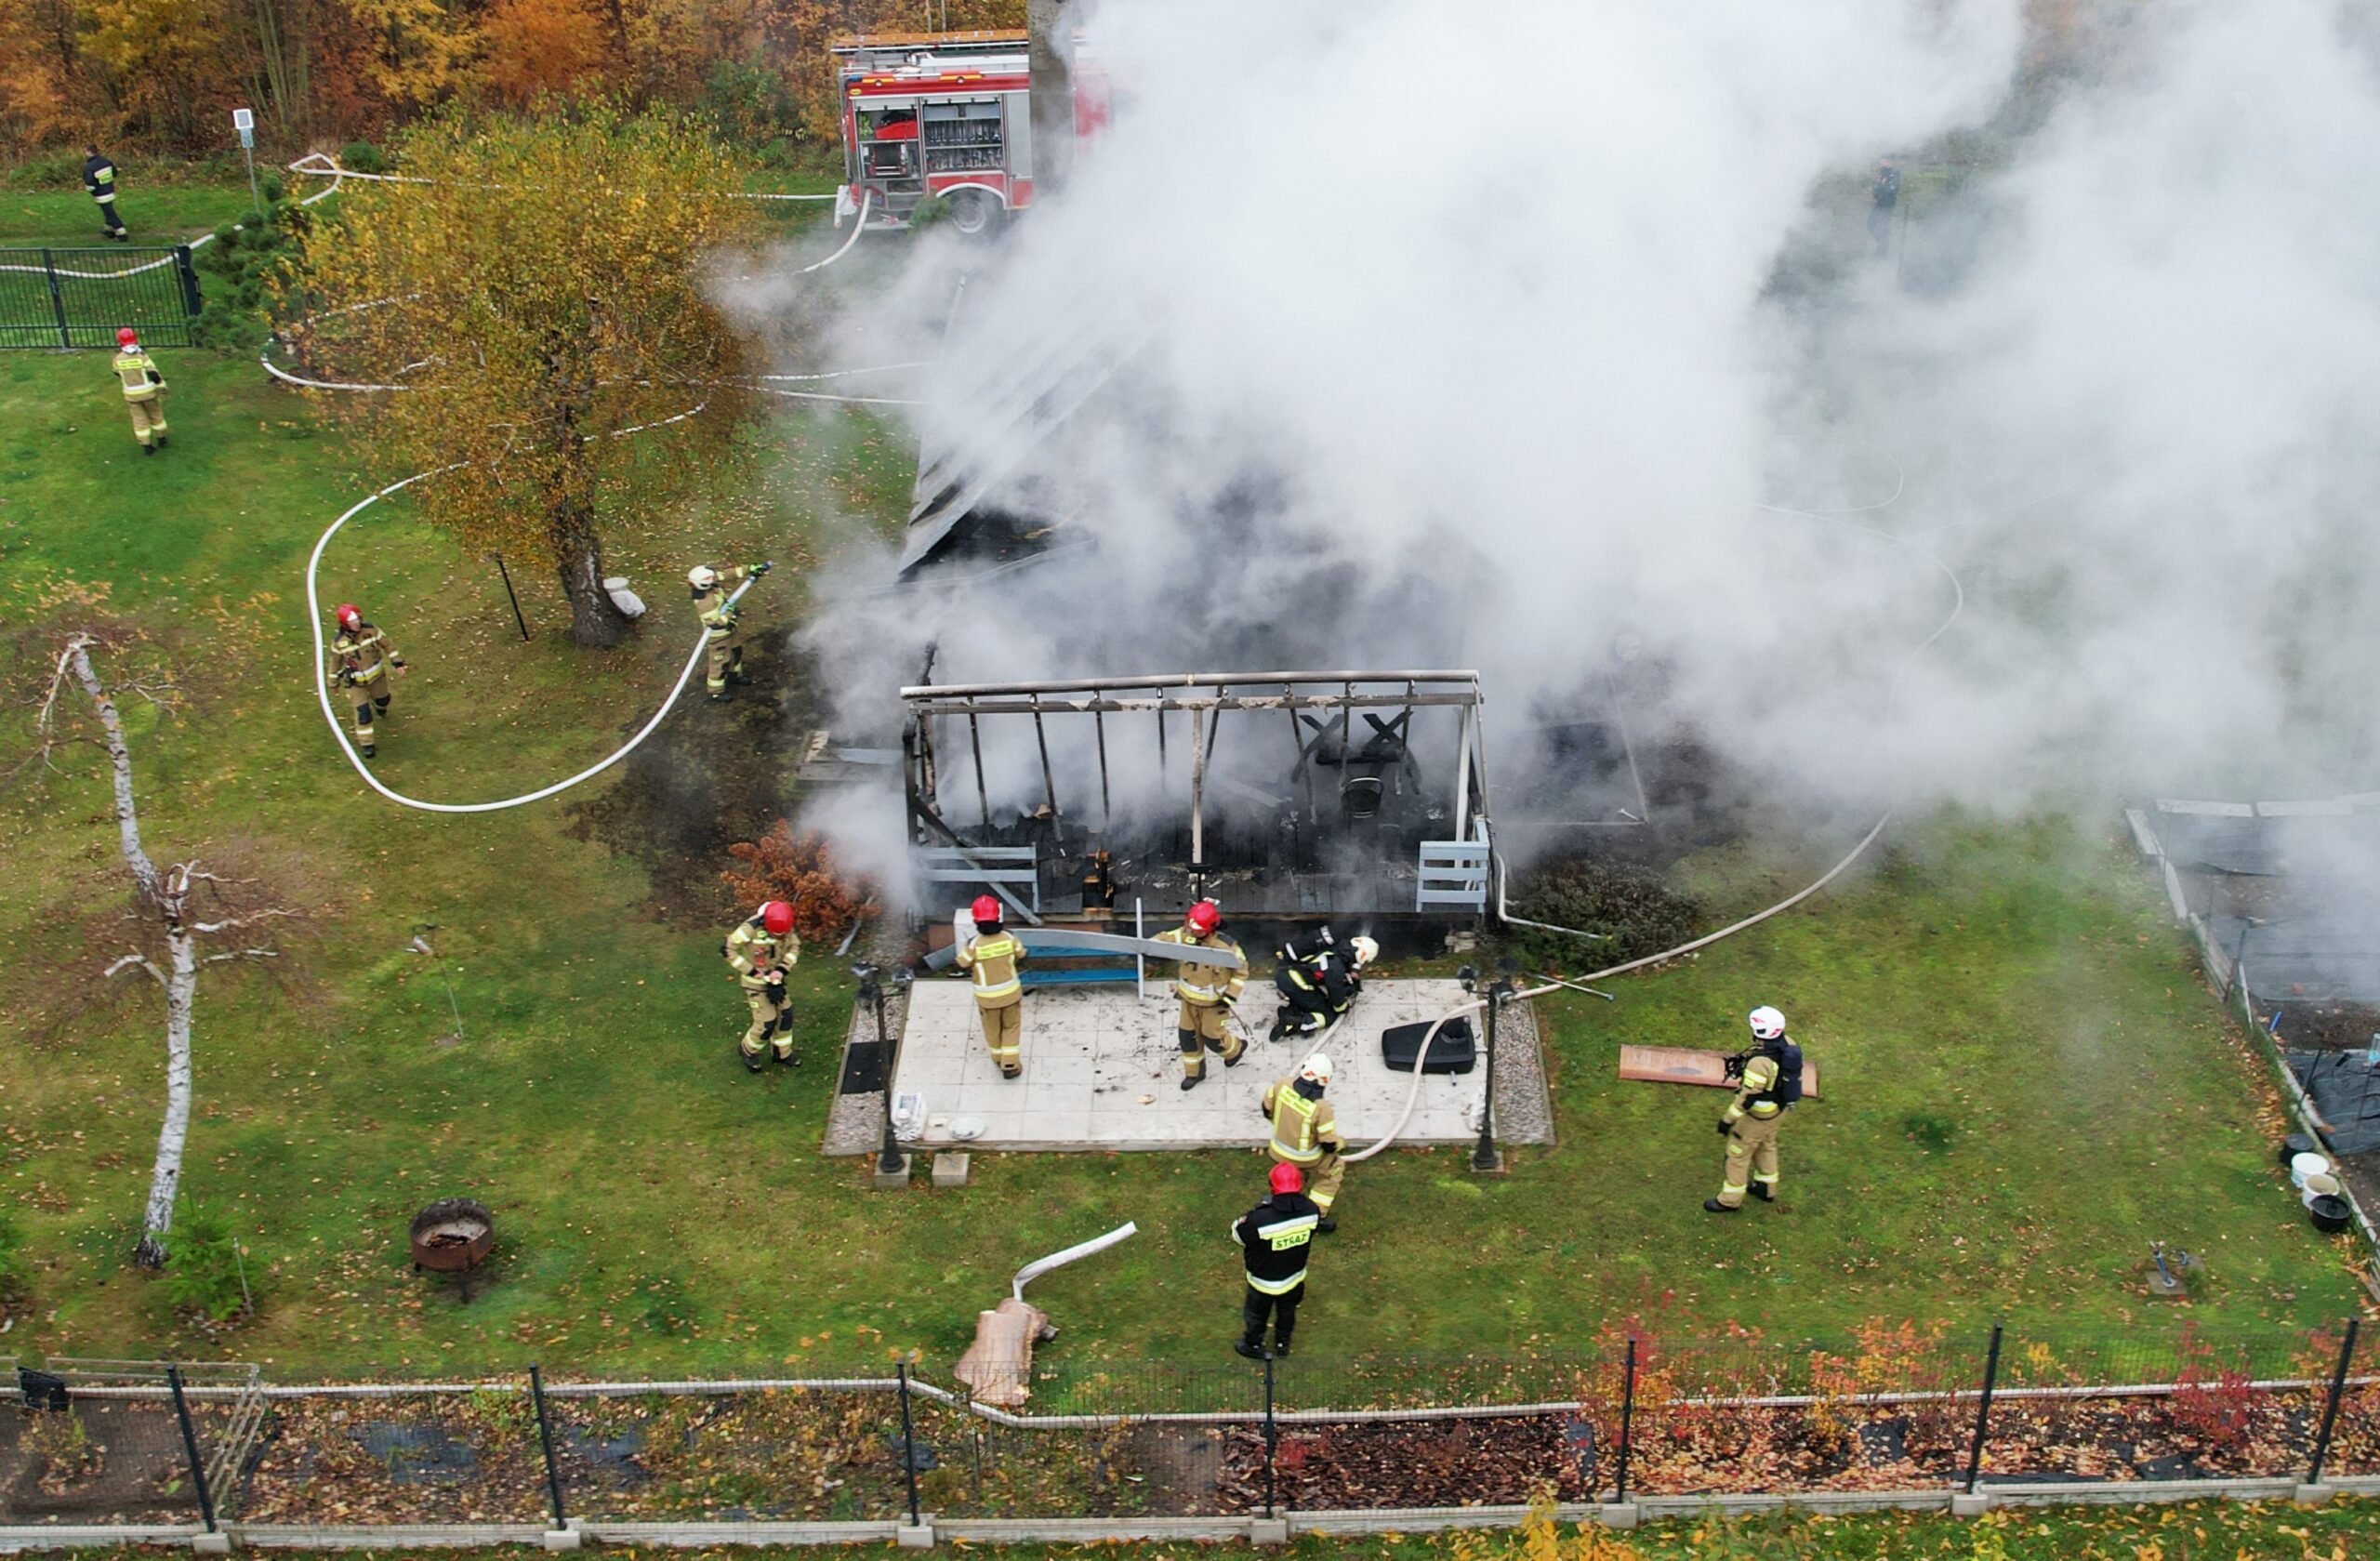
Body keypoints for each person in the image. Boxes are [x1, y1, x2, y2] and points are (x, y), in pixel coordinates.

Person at [1705, 1004, 1804, 1213]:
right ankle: (1766, 1187)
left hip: (1759, 1115)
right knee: (1766, 1144)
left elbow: (1748, 1097)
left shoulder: (1759, 1062)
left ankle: (1729, 1200)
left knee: (1737, 1153)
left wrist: (1727, 1120)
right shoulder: (1789, 1044)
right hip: (1779, 1110)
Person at [1153, 899, 1246, 1091]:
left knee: (1213, 1039)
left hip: (1214, 1004)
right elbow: (1166, 938)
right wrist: (1151, 946)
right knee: (1187, 1038)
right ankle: (1194, 1073)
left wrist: (1230, 995)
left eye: (1199, 931)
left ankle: (1235, 1050)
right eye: (1192, 928)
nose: (1194, 933)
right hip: (1188, 1001)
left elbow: (1242, 972)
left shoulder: (1226, 947)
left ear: (1211, 928)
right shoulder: (1186, 935)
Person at [1233, 1162, 1321, 1360]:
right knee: (1287, 1312)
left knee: (1256, 1315)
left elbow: (1239, 1236)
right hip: (1294, 1277)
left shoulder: (1259, 1219)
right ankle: (1282, 1344)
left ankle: (1253, 1345)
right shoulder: (1312, 1211)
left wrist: (1244, 1220)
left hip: (1263, 1282)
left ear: (1273, 1187)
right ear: (1299, 1185)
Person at [1261, 1052, 1346, 1231]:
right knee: (1334, 1170)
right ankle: (1315, 1214)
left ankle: (1282, 1203)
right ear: (1326, 1080)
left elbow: (1266, 1109)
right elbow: (1328, 1144)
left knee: (1295, 1175)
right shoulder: (1322, 1108)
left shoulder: (1281, 1085)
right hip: (1307, 1158)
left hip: (1277, 1150)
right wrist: (1340, 1143)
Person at [953, 894, 1026, 1079]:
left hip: (987, 999)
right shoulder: (1009, 938)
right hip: (1011, 994)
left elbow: (962, 963)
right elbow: (1021, 954)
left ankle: (998, 1058)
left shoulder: (974, 944)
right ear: (997, 917)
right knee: (1011, 1027)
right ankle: (1010, 1065)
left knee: (992, 1030)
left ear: (976, 921)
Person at [724, 899, 800, 1072]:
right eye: (776, 934)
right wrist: (751, 971)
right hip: (755, 984)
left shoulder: (784, 925)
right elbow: (728, 949)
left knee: (786, 1015)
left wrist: (782, 970)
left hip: (776, 981)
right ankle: (748, 1050)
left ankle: (782, 1053)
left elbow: (794, 947)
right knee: (766, 1022)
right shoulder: (749, 929)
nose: (779, 937)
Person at [328, 602, 406, 759]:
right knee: (363, 713)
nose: (356, 623)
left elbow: (388, 645)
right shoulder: (339, 642)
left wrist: (397, 663)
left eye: (357, 619)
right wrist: (333, 683)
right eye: (352, 622)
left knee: (383, 700)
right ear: (345, 624)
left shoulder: (371, 631)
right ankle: (367, 744)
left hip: (377, 678)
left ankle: (380, 706)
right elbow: (334, 663)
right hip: (355, 684)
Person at [1269, 930, 1377, 1040]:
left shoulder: (1339, 945)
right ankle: (1295, 1024)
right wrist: (1344, 1006)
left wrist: (1353, 971)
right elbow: (1336, 999)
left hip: (1288, 972)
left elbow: (1343, 963)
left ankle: (1290, 1012)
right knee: (1328, 1015)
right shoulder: (1335, 968)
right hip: (1295, 984)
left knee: (1313, 1000)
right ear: (1363, 955)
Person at [688, 562, 772, 700]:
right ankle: (716, 691)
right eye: (711, 578)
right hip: (718, 637)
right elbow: (716, 623)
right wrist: (730, 612)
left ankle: (734, 676)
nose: (715, 578)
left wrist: (750, 568)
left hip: (729, 629)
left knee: (736, 652)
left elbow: (728, 574)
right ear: (703, 584)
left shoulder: (709, 585)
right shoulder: (704, 602)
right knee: (720, 663)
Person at [112, 328, 166, 454]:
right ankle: (161, 438)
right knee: (156, 415)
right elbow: (153, 374)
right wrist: (161, 385)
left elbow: (116, 372)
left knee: (139, 420)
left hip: (131, 395)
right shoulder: (142, 357)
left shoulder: (117, 359)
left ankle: (147, 446)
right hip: (148, 394)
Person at [84, 145, 126, 241]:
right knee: (108, 210)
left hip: (101, 194)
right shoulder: (106, 161)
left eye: (85, 152)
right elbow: (114, 173)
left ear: (89, 152)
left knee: (110, 214)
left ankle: (122, 233)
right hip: (110, 190)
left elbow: (90, 183)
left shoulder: (89, 166)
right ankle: (109, 230)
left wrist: (92, 191)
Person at [1869, 158, 1901, 256]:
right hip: (1878, 203)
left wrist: (1880, 195)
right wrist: (1875, 195)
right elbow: (1876, 184)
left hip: (1887, 204)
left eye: (1883, 160)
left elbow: (1891, 189)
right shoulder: (1882, 172)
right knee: (1871, 224)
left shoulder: (1894, 173)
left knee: (1884, 226)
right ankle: (1882, 244)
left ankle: (1883, 250)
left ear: (1888, 160)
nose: (1881, 162)